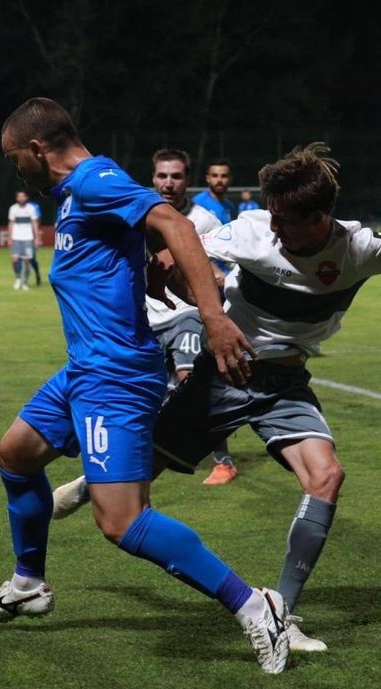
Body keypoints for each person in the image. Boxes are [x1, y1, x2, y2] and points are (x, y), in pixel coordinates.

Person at [52, 143, 381, 652]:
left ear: (320, 217)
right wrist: (165, 262)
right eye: (273, 214)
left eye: (285, 218)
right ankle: (94, 482)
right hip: (225, 374)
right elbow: (186, 246)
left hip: (284, 384)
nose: (274, 225)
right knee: (141, 473)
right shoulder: (252, 230)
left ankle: (279, 610)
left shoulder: (360, 246)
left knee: (326, 476)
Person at [0, 97, 293, 674]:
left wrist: (214, 317)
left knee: (122, 521)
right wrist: (146, 265)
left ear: (38, 149)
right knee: (16, 455)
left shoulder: (95, 180)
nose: (13, 169)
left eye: (14, 158)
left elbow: (170, 221)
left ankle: (252, 604)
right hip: (84, 369)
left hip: (115, 377)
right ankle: (28, 582)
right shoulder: (76, 195)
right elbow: (134, 244)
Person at [147, 148, 239, 485]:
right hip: (150, 317)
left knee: (189, 378)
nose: (168, 183)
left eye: (176, 176)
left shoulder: (204, 220)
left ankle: (224, 461)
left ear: (187, 180)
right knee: (151, 388)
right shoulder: (139, 213)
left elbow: (228, 267)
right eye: (162, 176)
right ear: (153, 177)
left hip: (188, 313)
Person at [7, 190, 41, 290]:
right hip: (16, 238)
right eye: (19, 197)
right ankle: (18, 278)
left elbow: (35, 223)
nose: (21, 198)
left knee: (27, 260)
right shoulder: (13, 208)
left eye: (23, 196)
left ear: (26, 198)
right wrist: (9, 238)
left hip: (28, 238)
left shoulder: (31, 208)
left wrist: (37, 238)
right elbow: (11, 223)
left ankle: (25, 282)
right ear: (17, 198)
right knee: (14, 259)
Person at [193, 159, 237, 225]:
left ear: (230, 179)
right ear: (208, 178)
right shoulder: (197, 203)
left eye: (224, 176)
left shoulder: (230, 207)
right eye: (215, 176)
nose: (219, 180)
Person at [28, 197, 44, 286]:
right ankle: (22, 280)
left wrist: (37, 236)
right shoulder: (16, 207)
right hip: (21, 235)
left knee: (31, 258)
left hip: (31, 235)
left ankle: (37, 275)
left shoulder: (34, 205)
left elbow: (38, 219)